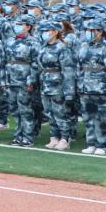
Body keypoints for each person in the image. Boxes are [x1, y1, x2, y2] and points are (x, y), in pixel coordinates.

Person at [75, 19, 106, 155]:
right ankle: (91, 143)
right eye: (88, 30)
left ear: (100, 32)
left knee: (102, 118)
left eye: (92, 30)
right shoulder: (84, 45)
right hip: (85, 87)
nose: (89, 32)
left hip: (101, 88)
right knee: (88, 117)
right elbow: (79, 66)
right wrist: (79, 84)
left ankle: (103, 144)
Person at [35, 21, 76, 150]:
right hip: (45, 84)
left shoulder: (62, 48)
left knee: (60, 113)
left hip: (58, 85)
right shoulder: (44, 47)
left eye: (47, 31)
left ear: (55, 32)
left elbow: (68, 71)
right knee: (49, 113)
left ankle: (65, 138)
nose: (44, 33)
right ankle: (54, 137)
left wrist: (69, 92)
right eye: (43, 31)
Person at [4, 15, 40, 146]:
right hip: (11, 80)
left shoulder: (33, 42)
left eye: (21, 24)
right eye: (17, 24)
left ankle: (28, 137)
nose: (17, 26)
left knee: (25, 110)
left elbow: (36, 63)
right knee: (15, 110)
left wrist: (31, 80)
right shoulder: (10, 41)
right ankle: (18, 136)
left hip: (24, 81)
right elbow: (6, 60)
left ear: (28, 27)